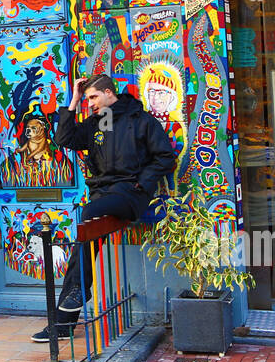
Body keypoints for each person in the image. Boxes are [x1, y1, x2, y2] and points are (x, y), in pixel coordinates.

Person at [33, 74, 177, 343]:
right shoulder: (96, 123)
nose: (90, 104)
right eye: (87, 99)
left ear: (110, 93)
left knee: (88, 218)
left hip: (129, 195)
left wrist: (141, 186)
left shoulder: (140, 119)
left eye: (93, 97)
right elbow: (64, 138)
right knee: (82, 247)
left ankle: (71, 305)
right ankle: (65, 319)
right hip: (103, 195)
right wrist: (73, 100)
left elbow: (165, 156)